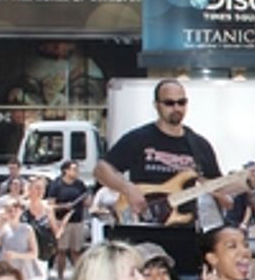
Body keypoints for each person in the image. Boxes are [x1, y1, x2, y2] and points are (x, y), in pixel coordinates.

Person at [94, 79, 226, 226]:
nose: (176, 107)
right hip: (145, 224)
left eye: (181, 102)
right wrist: (128, 189)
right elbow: (101, 170)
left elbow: (218, 184)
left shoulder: (199, 145)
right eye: (169, 103)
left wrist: (245, 184)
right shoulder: (139, 138)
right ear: (156, 105)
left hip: (184, 227)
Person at [47, 160, 88, 280]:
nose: (76, 172)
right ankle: (60, 277)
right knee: (62, 251)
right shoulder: (56, 185)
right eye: (74, 169)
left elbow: (86, 200)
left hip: (77, 220)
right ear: (66, 170)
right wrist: (63, 206)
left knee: (76, 251)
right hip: (62, 221)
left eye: (77, 169)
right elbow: (51, 205)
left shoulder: (80, 184)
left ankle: (80, 278)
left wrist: (87, 201)